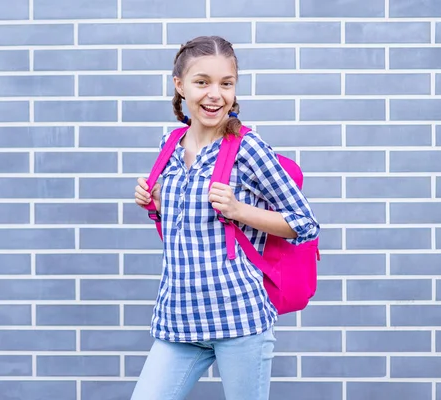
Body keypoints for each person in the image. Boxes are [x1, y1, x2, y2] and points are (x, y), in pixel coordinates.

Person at [131, 36, 320, 400]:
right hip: (179, 319)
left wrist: (239, 210)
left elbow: (304, 223)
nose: (215, 94)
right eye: (202, 82)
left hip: (239, 319)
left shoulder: (248, 148)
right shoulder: (169, 145)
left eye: (226, 83)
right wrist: (153, 202)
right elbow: (184, 229)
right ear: (179, 85)